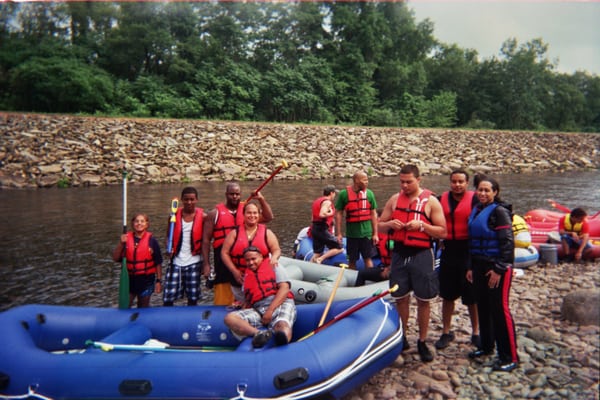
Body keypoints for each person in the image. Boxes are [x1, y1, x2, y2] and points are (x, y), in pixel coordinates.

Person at [378, 165, 447, 362]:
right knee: (400, 297)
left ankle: (422, 341)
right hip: (399, 254)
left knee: (423, 300)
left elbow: (443, 232)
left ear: (419, 180)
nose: (405, 185)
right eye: (402, 181)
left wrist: (423, 226)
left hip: (422, 255)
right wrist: (389, 225)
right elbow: (379, 227)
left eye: (409, 181)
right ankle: (402, 337)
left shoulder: (431, 202)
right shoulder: (394, 199)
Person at [466, 176, 519, 372]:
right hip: (479, 265)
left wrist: (499, 268)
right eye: (480, 190)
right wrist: (471, 267)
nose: (483, 193)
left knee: (499, 310)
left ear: (495, 192)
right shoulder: (477, 210)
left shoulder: (500, 212)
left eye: (487, 190)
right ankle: (487, 346)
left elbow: (507, 243)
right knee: (483, 307)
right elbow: (472, 242)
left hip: (496, 267)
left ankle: (510, 356)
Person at [202, 183, 273, 305]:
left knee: (245, 286)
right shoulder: (214, 214)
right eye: (232, 194)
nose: (234, 196)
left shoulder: (247, 211)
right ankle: (221, 311)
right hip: (223, 258)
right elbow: (206, 240)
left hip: (244, 258)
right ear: (226, 195)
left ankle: (248, 308)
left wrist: (261, 199)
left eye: (237, 194)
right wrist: (206, 264)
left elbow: (268, 217)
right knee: (223, 287)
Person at [435, 169, 481, 350]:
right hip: (448, 250)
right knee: (447, 295)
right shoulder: (441, 199)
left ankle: (476, 331)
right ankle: (446, 332)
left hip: (468, 251)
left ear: (467, 183)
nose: (457, 185)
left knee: (471, 297)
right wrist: (437, 238)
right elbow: (432, 219)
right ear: (450, 182)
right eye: (454, 181)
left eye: (461, 181)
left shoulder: (476, 200)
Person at [224, 246, 297, 348]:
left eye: (254, 259)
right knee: (230, 318)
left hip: (280, 303)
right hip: (259, 309)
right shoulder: (246, 277)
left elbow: (284, 288)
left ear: (261, 257)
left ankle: (282, 342)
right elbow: (249, 299)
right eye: (247, 260)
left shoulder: (274, 265)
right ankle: (259, 334)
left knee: (281, 325)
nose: (251, 263)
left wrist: (270, 311)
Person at [221, 202, 281, 302]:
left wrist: (274, 257)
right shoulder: (234, 233)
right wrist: (234, 271)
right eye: (249, 213)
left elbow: (276, 250)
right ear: (243, 215)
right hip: (240, 278)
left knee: (259, 302)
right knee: (245, 302)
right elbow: (224, 253)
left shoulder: (267, 233)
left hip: (261, 278)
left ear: (259, 215)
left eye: (255, 213)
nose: (252, 216)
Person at [163, 187, 206, 306]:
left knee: (192, 297)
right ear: (182, 200)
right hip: (176, 261)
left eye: (192, 199)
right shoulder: (173, 216)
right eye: (186, 199)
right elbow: (168, 236)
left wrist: (206, 264)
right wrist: (168, 246)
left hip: (194, 261)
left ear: (196, 200)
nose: (189, 202)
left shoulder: (203, 217)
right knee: (168, 297)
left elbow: (206, 241)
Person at [112, 213, 163, 308]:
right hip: (129, 279)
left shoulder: (152, 241)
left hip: (146, 279)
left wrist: (159, 281)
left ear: (147, 224)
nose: (139, 223)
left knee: (143, 306)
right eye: (137, 221)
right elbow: (115, 258)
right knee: (125, 305)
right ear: (132, 224)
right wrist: (121, 243)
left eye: (142, 221)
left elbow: (158, 262)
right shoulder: (126, 239)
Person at [335, 170, 379, 269]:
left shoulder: (369, 194)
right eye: (364, 180)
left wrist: (375, 234)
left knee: (367, 258)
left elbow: (373, 214)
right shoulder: (344, 194)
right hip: (352, 234)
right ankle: (353, 280)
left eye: (367, 180)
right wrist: (339, 233)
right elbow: (338, 213)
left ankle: (369, 279)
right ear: (356, 180)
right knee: (352, 260)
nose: (367, 182)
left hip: (366, 234)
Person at [310, 185, 344, 264]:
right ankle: (321, 259)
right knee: (340, 248)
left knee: (317, 252)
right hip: (321, 229)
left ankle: (310, 265)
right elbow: (322, 214)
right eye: (334, 193)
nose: (335, 195)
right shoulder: (327, 202)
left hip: (315, 228)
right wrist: (331, 213)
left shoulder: (317, 201)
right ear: (331, 193)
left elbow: (312, 218)